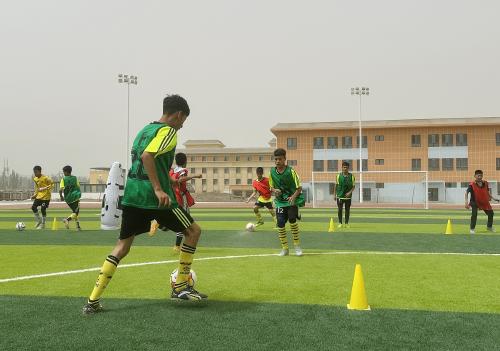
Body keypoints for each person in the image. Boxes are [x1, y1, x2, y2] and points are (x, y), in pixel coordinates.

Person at [83, 94, 207, 315]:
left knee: (122, 247)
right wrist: (160, 189)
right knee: (193, 231)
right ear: (178, 115)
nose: (181, 126)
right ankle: (180, 286)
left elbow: (145, 161)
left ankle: (93, 300)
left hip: (132, 195)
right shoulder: (168, 131)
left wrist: (169, 179)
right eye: (183, 120)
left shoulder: (144, 131)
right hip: (155, 199)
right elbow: (149, 157)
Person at [149, 152, 202, 251]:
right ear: (185, 162)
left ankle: (159, 223)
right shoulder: (183, 170)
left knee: (175, 221)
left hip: (172, 196)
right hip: (180, 197)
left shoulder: (172, 171)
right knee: (185, 222)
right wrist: (194, 176)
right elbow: (181, 179)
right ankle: (177, 246)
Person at [269, 148, 305, 256]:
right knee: (280, 223)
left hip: (291, 201)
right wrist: (275, 190)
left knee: (292, 220)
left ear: (285, 159)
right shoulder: (271, 172)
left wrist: (293, 197)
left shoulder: (291, 171)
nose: (277, 161)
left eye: (280, 159)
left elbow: (299, 188)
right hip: (280, 202)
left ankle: (297, 246)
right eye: (276, 159)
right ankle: (285, 248)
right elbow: (271, 187)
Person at [465, 169, 499, 234]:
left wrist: (494, 198)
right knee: (474, 214)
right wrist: (466, 202)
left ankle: (489, 227)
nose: (480, 177)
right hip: (474, 202)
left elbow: (487, 192)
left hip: (484, 201)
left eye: (481, 175)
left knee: (491, 213)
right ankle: (472, 229)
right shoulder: (472, 184)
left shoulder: (486, 183)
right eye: (478, 176)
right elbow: (466, 193)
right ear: (475, 176)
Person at [333, 161, 356, 229]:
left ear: (348, 168)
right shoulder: (338, 176)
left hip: (348, 197)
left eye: (346, 167)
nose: (345, 168)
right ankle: (340, 223)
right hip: (340, 196)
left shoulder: (352, 176)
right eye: (344, 167)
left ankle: (346, 223)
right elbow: (336, 185)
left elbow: (354, 186)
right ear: (342, 168)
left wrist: (349, 192)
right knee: (340, 210)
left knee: (347, 210)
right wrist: (334, 194)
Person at [59, 165, 82, 231]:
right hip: (75, 197)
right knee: (76, 213)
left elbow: (60, 190)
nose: (63, 173)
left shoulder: (63, 179)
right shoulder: (75, 178)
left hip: (68, 199)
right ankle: (67, 220)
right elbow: (78, 186)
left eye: (63, 172)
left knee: (74, 212)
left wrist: (61, 196)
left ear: (66, 172)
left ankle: (78, 227)